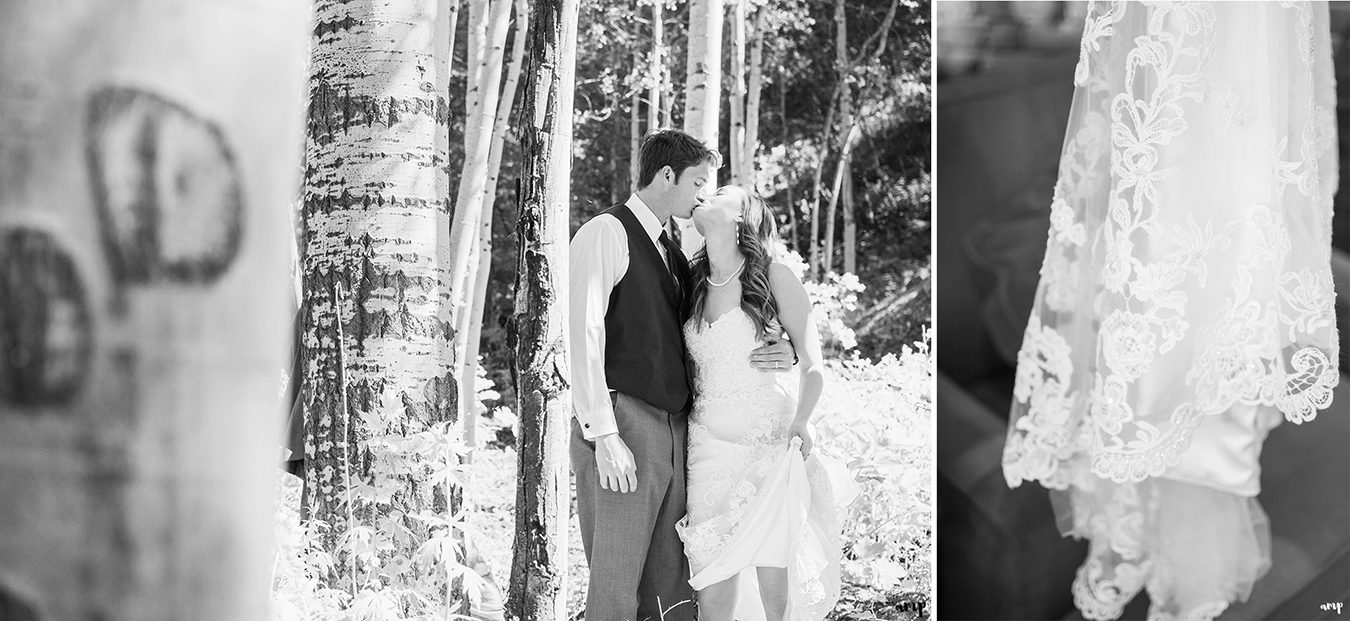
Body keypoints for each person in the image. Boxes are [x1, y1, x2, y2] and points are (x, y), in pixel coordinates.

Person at [1002, 3, 1340, 620]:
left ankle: (1182, 570)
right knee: (1149, 275)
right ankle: (1135, 536)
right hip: (1165, 114)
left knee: (1208, 290)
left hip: (1234, 103)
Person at [568, 129, 795, 621]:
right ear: (667, 175)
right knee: (617, 577)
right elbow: (583, 333)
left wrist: (787, 347)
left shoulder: (674, 250)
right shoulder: (606, 232)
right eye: (698, 182)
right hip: (624, 422)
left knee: (670, 584)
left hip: (680, 433)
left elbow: (718, 330)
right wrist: (603, 433)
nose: (702, 195)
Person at [676, 186, 853, 621]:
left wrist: (804, 420)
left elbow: (813, 363)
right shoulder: (689, 280)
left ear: (742, 217)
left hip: (769, 448)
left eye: (718, 191)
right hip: (705, 449)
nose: (704, 193)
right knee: (712, 587)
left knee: (777, 593)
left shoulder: (775, 277)